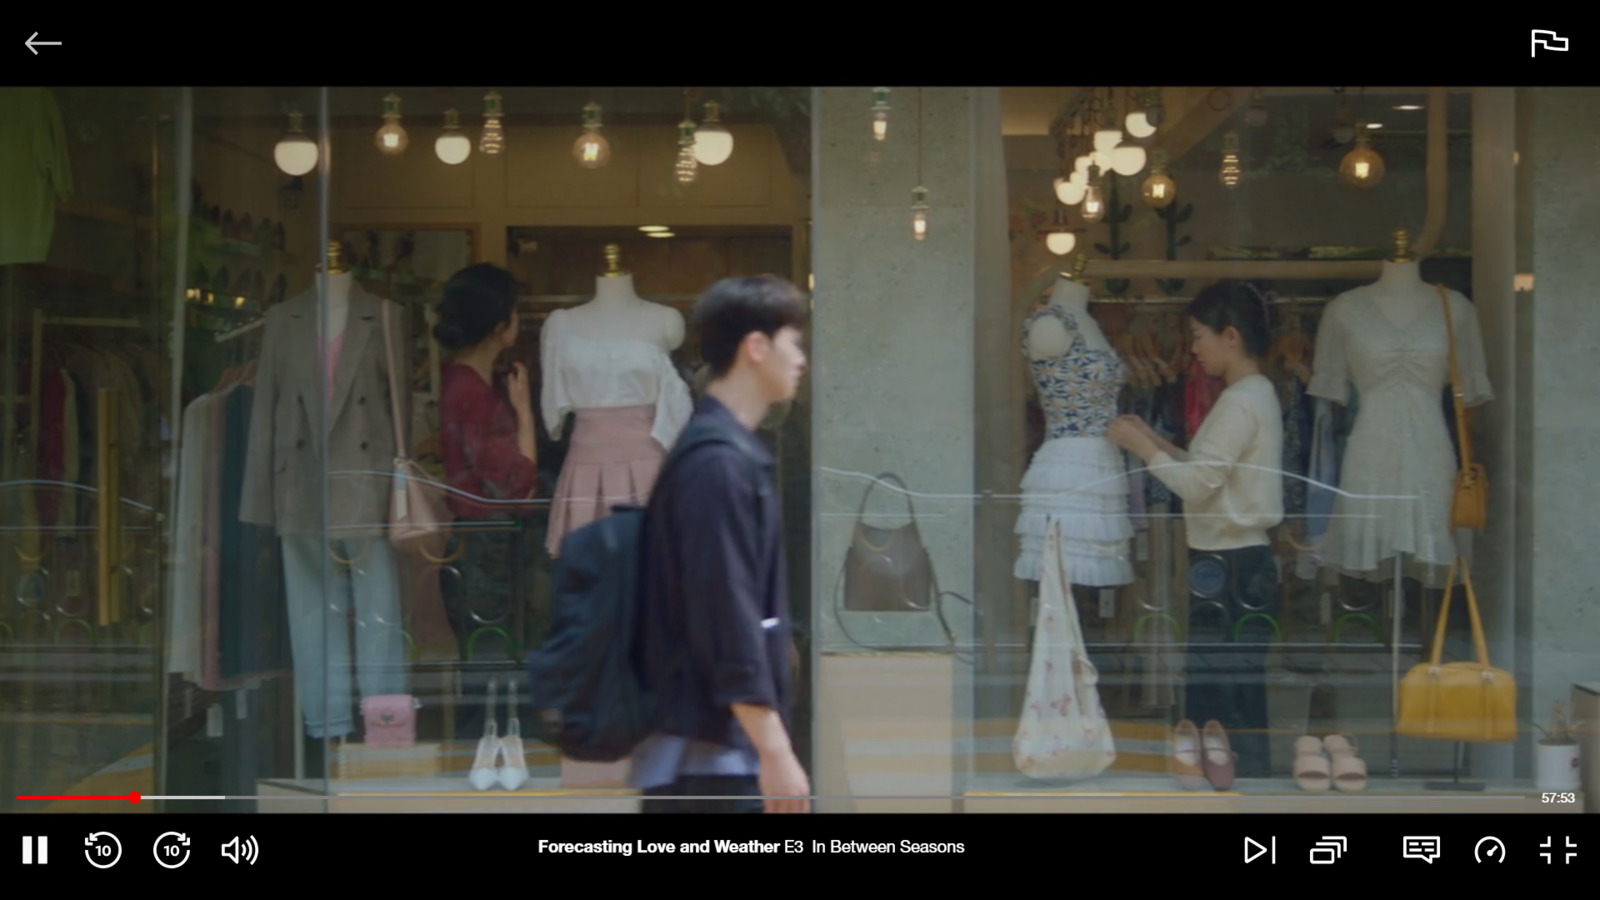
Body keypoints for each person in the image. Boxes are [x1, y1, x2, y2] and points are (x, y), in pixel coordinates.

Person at [633, 274, 810, 813]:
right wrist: (774, 746)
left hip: (712, 748)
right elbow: (724, 613)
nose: (802, 359)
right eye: (793, 342)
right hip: (711, 757)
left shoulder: (722, 453)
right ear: (755, 348)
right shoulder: (718, 465)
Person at [1107, 281, 1284, 786]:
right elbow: (1207, 470)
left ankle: (1229, 793)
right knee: (1237, 689)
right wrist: (1153, 438)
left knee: (1222, 693)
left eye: (1199, 335)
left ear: (1230, 336)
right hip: (1235, 559)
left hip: (1227, 563)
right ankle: (1244, 788)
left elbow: (1200, 484)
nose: (1194, 348)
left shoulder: (1240, 402)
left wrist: (1143, 451)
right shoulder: (1254, 395)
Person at [433, 263, 541, 734]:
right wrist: (522, 409)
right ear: (500, 328)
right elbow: (518, 486)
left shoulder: (460, 379)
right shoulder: (473, 394)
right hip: (486, 549)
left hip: (476, 545)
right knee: (493, 667)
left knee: (485, 665)